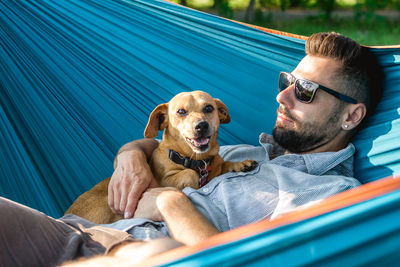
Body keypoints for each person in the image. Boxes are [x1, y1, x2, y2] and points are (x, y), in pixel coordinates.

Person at [0, 32, 383, 266]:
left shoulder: (333, 198)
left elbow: (240, 262)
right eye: (287, 81)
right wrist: (130, 154)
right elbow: (168, 141)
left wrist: (170, 202)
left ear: (351, 117)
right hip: (76, 231)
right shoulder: (240, 152)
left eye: (304, 91)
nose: (281, 96)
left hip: (138, 254)